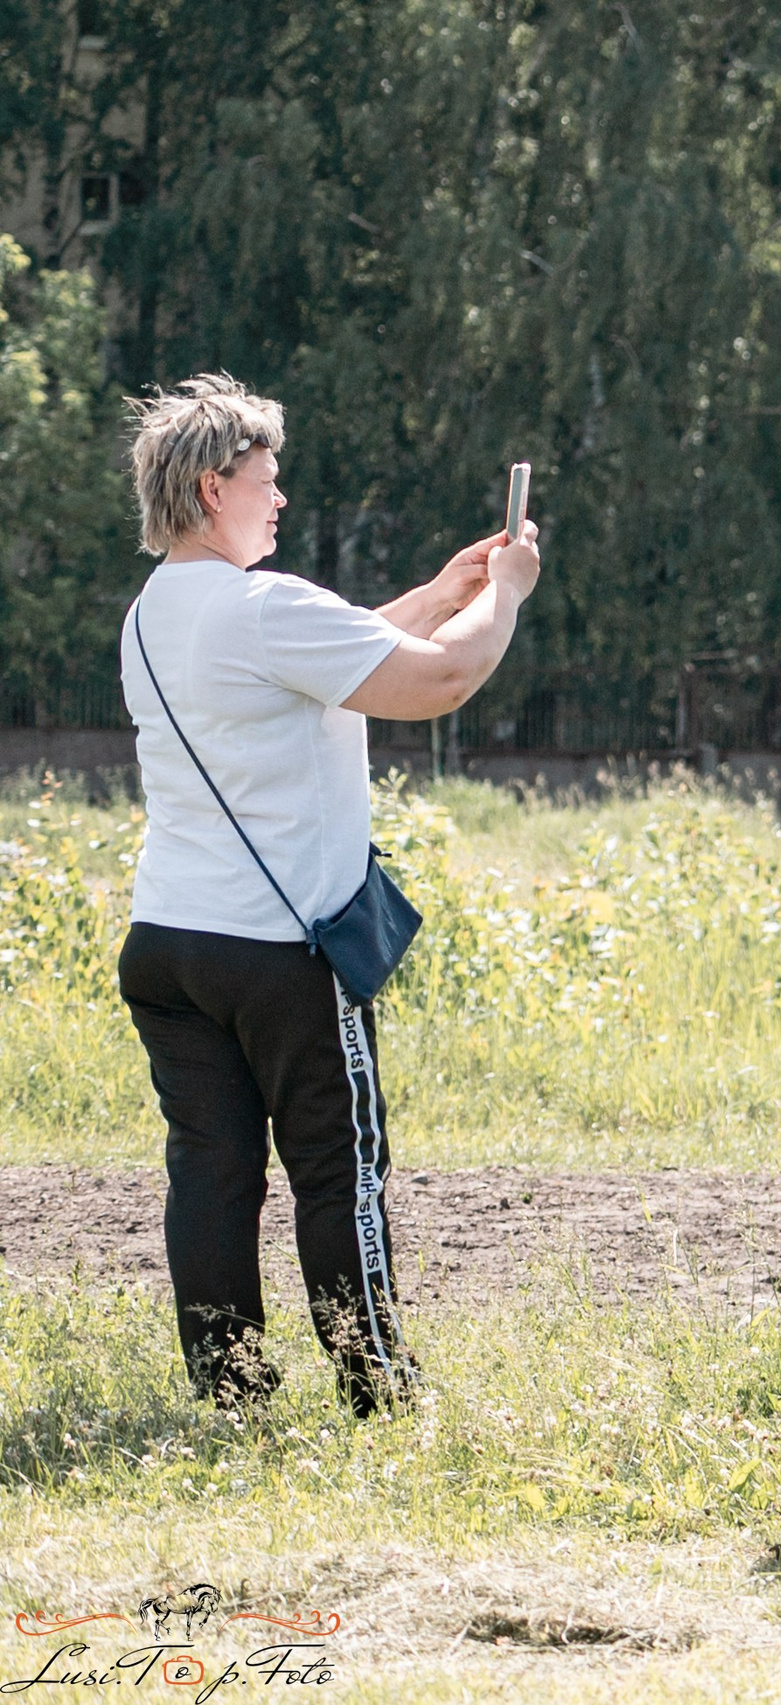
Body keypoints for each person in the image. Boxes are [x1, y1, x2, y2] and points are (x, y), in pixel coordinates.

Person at [116, 374, 542, 1415]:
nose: (282, 499)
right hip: (280, 953)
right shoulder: (267, 606)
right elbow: (435, 683)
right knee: (335, 1170)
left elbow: (338, 656)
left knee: (212, 1174)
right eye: (268, 480)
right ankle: (379, 1389)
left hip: (171, 942)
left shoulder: (151, 614)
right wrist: (507, 595)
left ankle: (234, 1394)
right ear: (216, 488)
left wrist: (444, 593)